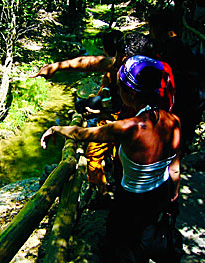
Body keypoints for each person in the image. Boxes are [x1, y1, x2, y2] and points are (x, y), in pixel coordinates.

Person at [40, 55, 181, 262]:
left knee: (120, 246)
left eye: (119, 86)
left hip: (130, 200)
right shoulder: (173, 120)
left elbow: (82, 134)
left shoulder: (128, 127)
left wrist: (55, 128)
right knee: (145, 239)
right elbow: (175, 168)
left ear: (131, 93)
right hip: (159, 194)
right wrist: (173, 197)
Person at [32, 31, 163, 196]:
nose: (117, 68)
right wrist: (55, 66)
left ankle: (103, 192)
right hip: (154, 188)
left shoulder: (132, 124)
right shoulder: (149, 79)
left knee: (99, 157)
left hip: (134, 195)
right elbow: (91, 62)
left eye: (120, 63)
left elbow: (85, 134)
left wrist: (55, 129)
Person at [148, 8, 205, 153]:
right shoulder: (183, 45)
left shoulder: (170, 50)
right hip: (191, 104)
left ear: (158, 28)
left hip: (182, 106)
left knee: (171, 150)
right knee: (177, 149)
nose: (150, 32)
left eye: (151, 27)